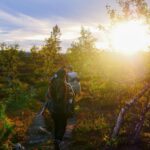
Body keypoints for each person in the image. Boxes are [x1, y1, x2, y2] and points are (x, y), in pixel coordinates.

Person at [45, 67, 75, 149]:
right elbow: (61, 97)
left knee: (56, 125)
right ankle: (58, 141)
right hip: (61, 109)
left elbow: (47, 95)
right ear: (64, 75)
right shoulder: (62, 83)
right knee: (62, 125)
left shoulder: (52, 82)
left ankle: (55, 141)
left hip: (53, 109)